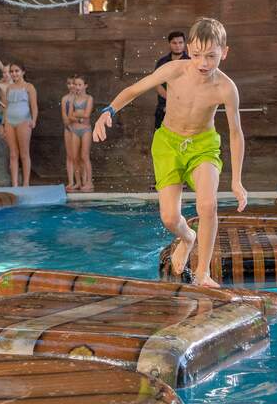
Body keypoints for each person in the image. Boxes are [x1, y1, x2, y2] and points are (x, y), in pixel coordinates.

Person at [93, 17, 246, 288]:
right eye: (197, 54)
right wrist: (110, 110)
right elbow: (134, 90)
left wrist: (236, 181)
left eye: (211, 56)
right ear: (188, 49)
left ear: (225, 52)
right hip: (168, 144)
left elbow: (235, 133)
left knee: (208, 206)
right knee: (169, 218)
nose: (203, 63)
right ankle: (188, 238)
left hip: (203, 146)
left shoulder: (226, 87)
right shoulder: (174, 70)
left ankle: (202, 274)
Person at [0, 63, 37, 187]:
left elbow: (34, 107)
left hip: (24, 121)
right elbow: (6, 107)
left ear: (23, 72)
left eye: (17, 71)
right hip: (9, 120)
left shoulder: (29, 87)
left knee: (24, 153)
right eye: (12, 71)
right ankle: (14, 184)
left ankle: (26, 183)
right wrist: (2, 124)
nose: (14, 73)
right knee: (13, 154)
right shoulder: (9, 88)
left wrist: (34, 120)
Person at [63, 75, 94, 192]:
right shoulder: (73, 99)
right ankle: (78, 182)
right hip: (75, 130)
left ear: (85, 86)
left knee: (84, 156)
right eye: (75, 84)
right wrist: (79, 118)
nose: (77, 87)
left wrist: (76, 115)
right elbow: (69, 115)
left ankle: (89, 182)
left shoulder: (89, 98)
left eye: (79, 85)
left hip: (85, 130)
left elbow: (87, 114)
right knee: (75, 157)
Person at [153, 30, 187, 130]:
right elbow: (156, 83)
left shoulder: (190, 62)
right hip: (163, 107)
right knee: (160, 138)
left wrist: (176, 102)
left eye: (180, 43)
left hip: (184, 109)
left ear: (184, 44)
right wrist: (170, 99)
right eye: (174, 43)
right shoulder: (162, 62)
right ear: (169, 44)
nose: (178, 46)